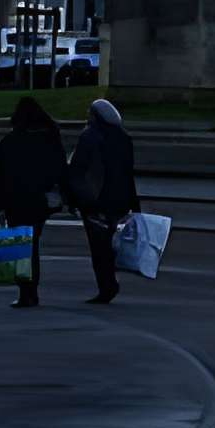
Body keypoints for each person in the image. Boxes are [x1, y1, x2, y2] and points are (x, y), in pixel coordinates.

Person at [0, 95, 67, 309]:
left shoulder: (9, 142)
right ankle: (31, 291)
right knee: (33, 243)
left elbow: (3, 176)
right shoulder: (50, 140)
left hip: (16, 200)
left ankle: (26, 291)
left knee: (22, 247)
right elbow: (60, 170)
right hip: (40, 200)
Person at [68, 96, 139, 304]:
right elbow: (128, 172)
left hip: (95, 200)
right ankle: (110, 282)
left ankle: (106, 285)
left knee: (98, 247)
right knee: (112, 243)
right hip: (119, 199)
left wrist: (73, 199)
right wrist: (134, 203)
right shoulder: (124, 138)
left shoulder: (89, 137)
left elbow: (78, 171)